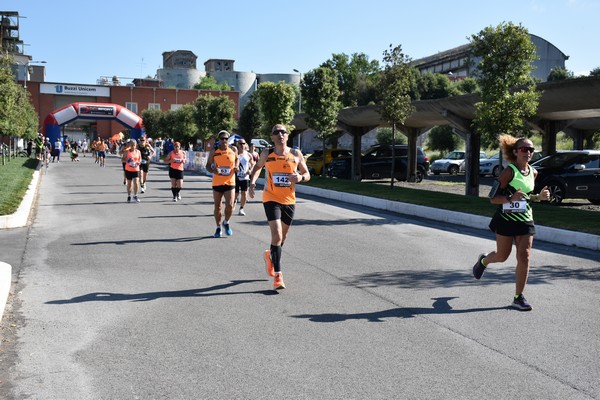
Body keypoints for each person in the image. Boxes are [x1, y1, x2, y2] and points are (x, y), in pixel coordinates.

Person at [472, 135, 550, 311]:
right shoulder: (508, 172)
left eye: (531, 150)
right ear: (515, 152)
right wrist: (509, 197)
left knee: (525, 256)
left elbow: (527, 197)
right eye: (524, 149)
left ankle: (518, 297)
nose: (528, 152)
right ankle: (483, 261)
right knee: (502, 256)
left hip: (526, 220)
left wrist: (539, 197)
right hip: (506, 220)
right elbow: (492, 198)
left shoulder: (533, 172)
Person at [248, 124, 311, 290]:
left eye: (283, 132)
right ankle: (278, 275)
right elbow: (257, 168)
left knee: (281, 239)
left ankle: (270, 256)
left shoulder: (296, 154)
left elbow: (307, 174)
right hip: (271, 198)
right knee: (276, 235)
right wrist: (253, 182)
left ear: (287, 136)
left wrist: (300, 177)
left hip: (289, 200)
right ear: (272, 137)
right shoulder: (266, 153)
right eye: (276, 132)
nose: (280, 134)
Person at [206, 130, 238, 237]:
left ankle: (226, 222)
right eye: (222, 138)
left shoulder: (233, 149)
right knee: (218, 206)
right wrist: (213, 170)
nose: (224, 140)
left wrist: (236, 166)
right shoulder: (214, 151)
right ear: (219, 140)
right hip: (217, 182)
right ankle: (218, 227)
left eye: (226, 138)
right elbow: (208, 165)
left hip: (230, 181)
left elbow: (237, 159)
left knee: (230, 205)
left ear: (228, 140)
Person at [235, 139, 254, 216]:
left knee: (244, 194)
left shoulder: (248, 155)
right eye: (240, 143)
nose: (242, 145)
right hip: (235, 177)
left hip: (245, 177)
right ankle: (233, 204)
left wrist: (250, 170)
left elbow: (253, 164)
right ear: (237, 144)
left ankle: (241, 208)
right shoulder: (234, 154)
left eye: (243, 143)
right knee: (235, 194)